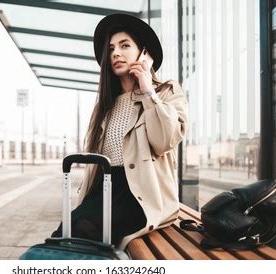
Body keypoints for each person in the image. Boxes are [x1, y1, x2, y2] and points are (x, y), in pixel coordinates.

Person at [51, 13, 188, 251]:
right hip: (104, 190)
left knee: (82, 233)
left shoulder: (166, 92)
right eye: (112, 48)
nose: (116, 53)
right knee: (62, 235)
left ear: (144, 54)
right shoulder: (105, 105)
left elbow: (164, 141)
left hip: (140, 195)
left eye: (125, 45)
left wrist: (148, 92)